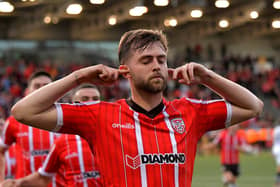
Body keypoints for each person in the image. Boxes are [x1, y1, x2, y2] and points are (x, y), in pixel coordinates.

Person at [11, 29, 263, 187]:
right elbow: (23, 112)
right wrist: (80, 77)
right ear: (125, 71)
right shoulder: (99, 115)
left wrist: (208, 77)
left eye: (161, 60)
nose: (156, 66)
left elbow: (253, 106)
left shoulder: (190, 112)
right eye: (146, 60)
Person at [0, 84, 101, 187]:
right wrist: (10, 183)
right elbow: (42, 177)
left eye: (95, 99)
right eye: (84, 98)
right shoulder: (62, 141)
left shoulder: (115, 132)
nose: (90, 102)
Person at [0, 71, 60, 186]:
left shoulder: (66, 121)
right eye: (37, 86)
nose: (42, 90)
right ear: (27, 92)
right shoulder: (14, 122)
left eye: (47, 86)